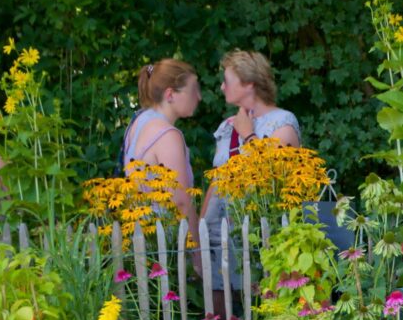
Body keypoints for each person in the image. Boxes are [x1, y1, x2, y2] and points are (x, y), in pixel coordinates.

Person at [201, 50, 301, 295]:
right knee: (222, 316)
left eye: (228, 80)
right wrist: (199, 234)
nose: (222, 87)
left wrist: (248, 135)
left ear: (249, 83)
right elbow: (217, 180)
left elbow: (270, 176)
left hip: (262, 237)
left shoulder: (283, 124)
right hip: (222, 236)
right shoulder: (226, 127)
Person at [121, 59, 203, 257]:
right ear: (170, 95)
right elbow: (181, 202)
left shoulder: (138, 123)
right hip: (168, 249)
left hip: (142, 244)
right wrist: (199, 256)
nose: (199, 97)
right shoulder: (167, 135)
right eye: (193, 90)